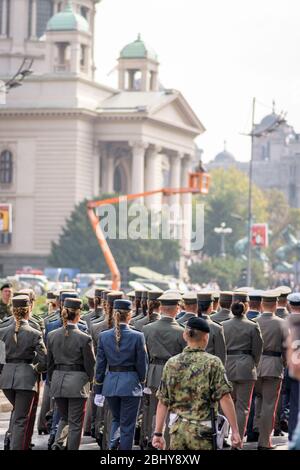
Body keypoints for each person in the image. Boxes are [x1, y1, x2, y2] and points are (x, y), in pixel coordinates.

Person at [152, 316, 242, 450]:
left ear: (184, 336)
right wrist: (235, 431)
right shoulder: (213, 363)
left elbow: (163, 401)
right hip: (203, 432)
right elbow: (225, 397)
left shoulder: (171, 363)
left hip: (178, 432)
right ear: (206, 338)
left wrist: (158, 433)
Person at [94, 299, 148, 450]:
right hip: (131, 385)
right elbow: (142, 364)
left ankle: (113, 445)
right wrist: (143, 383)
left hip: (110, 385)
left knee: (117, 419)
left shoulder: (104, 336)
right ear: (129, 315)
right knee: (128, 425)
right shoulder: (138, 336)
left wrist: (98, 390)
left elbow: (100, 366)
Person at [47, 297, 95, 450]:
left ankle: (58, 443)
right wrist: (91, 382)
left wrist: (51, 381)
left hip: (58, 381)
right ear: (79, 314)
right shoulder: (85, 338)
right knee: (75, 423)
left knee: (65, 417)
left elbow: (49, 364)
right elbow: (90, 365)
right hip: (77, 384)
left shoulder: (52, 335)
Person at [0, 295, 47, 450]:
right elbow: (44, 361)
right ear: (28, 311)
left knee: (17, 413)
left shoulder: (2, 332)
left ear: (14, 311)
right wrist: (35, 370)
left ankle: (9, 439)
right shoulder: (35, 333)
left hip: (6, 379)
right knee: (21, 419)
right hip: (25, 380)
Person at [141, 292, 186, 449]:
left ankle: (149, 439)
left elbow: (143, 355)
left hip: (153, 372)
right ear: (176, 309)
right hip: (174, 374)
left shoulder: (147, 329)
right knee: (171, 413)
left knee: (152, 408)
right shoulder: (182, 331)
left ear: (161, 308)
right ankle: (166, 443)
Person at [222, 292, 263, 440]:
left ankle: (225, 436)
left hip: (227, 366)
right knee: (243, 407)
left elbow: (221, 348)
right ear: (246, 307)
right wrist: (253, 364)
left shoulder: (223, 325)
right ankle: (237, 437)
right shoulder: (253, 326)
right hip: (246, 367)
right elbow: (258, 349)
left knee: (227, 404)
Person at [253, 290, 286, 450]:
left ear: (261, 304)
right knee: (269, 404)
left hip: (255, 366)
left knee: (256, 400)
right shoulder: (281, 323)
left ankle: (256, 427)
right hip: (273, 366)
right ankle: (264, 441)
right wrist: (285, 364)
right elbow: (287, 348)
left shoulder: (254, 321)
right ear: (275, 305)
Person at [197, 292, 226, 365]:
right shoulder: (217, 328)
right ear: (211, 307)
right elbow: (221, 355)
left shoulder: (186, 325)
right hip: (210, 367)